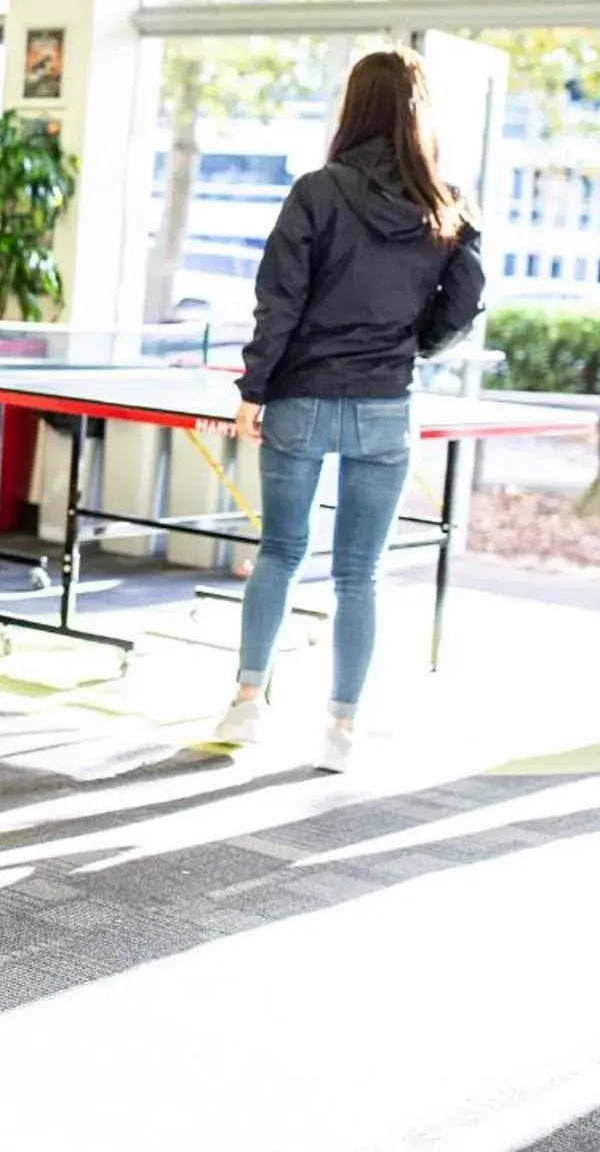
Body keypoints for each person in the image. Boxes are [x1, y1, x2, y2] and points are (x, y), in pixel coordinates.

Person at [212, 48, 483, 771]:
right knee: (358, 572)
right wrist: (410, 343)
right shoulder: (446, 205)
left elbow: (279, 300)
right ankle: (342, 728)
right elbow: (464, 303)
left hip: (301, 396)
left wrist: (252, 389)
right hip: (384, 405)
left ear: (353, 106)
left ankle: (247, 703)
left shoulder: (315, 192)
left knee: (280, 551)